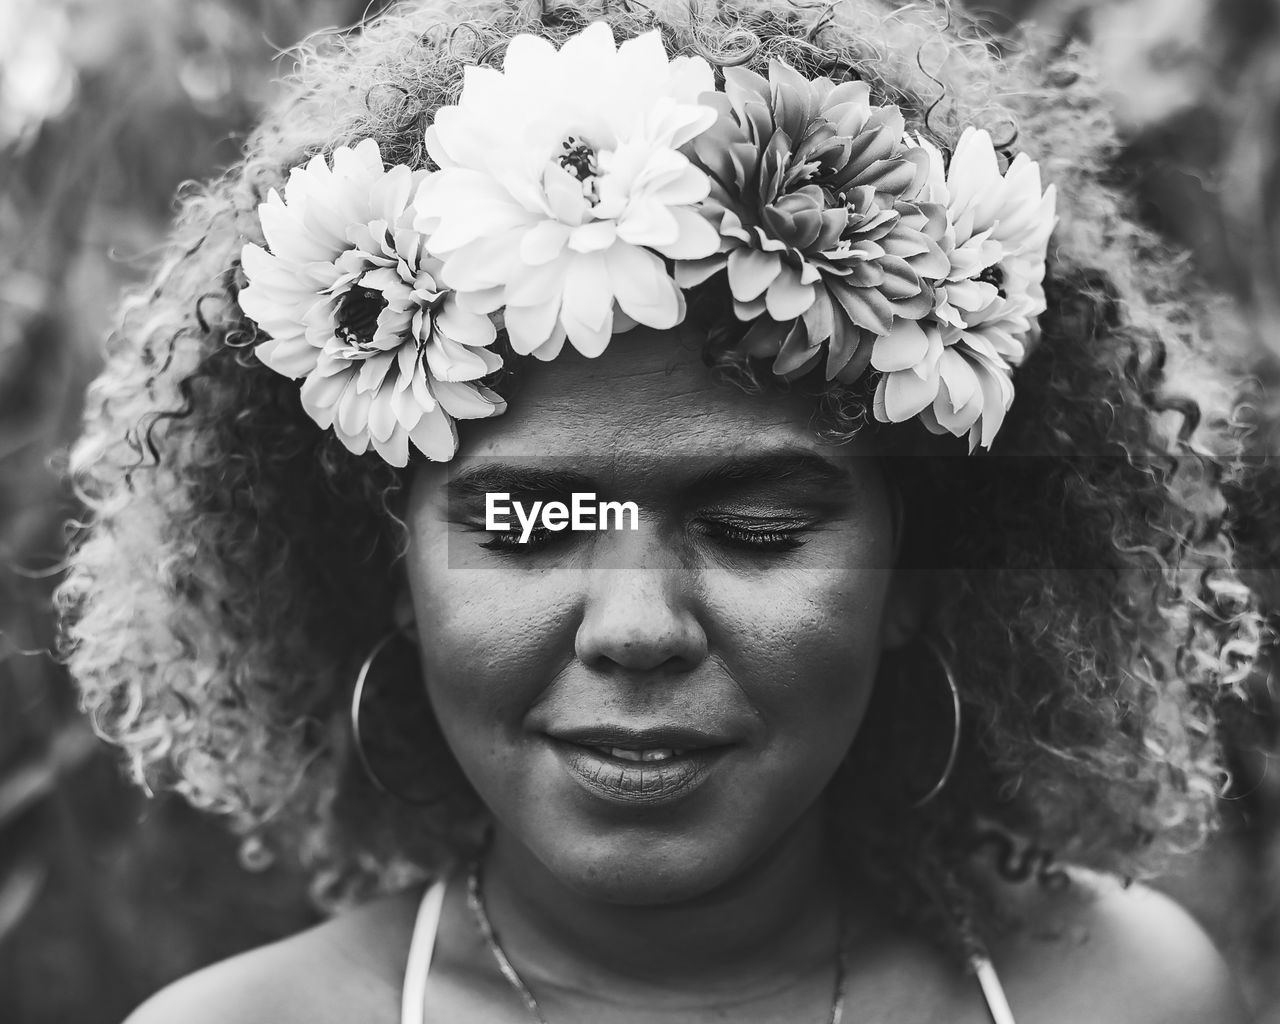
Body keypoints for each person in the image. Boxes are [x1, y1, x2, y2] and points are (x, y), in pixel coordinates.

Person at [56, 0, 1261, 1021]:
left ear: (915, 567)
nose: (634, 628)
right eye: (529, 522)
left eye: (754, 530)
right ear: (390, 572)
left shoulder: (1117, 995)